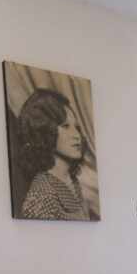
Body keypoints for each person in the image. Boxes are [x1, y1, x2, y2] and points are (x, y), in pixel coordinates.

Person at [17, 88, 93, 221]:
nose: (76, 136)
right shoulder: (41, 194)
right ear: (45, 131)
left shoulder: (73, 182)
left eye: (76, 127)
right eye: (65, 126)